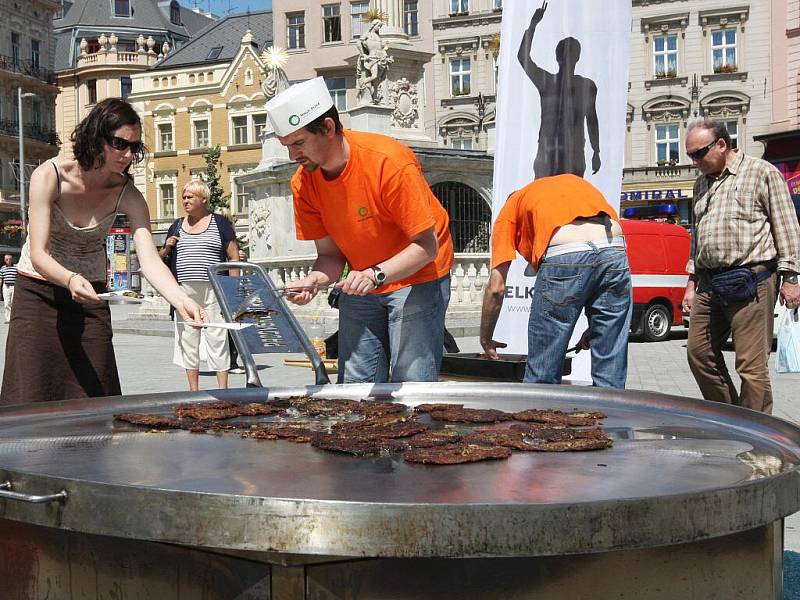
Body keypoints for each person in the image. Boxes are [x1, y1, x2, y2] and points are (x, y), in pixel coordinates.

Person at [0, 98, 206, 405]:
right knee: (30, 396)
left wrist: (181, 299)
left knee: (98, 396)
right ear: (96, 137)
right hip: (38, 295)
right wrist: (69, 279)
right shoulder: (50, 175)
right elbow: (40, 253)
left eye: (134, 147)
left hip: (91, 297)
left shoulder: (128, 194)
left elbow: (149, 258)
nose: (128, 155)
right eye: (119, 143)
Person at [265, 77, 454, 383]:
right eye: (287, 146)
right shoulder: (303, 182)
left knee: (411, 380)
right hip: (362, 278)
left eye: (298, 143)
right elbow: (329, 255)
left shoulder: (388, 162)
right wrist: (314, 280)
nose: (292, 156)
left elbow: (426, 246)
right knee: (355, 381)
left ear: (327, 128)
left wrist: (374, 275)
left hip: (419, 274)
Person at [682, 119, 800, 414]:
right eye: (690, 156)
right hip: (709, 282)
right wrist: (691, 283)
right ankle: (733, 417)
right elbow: (698, 237)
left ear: (722, 144)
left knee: (751, 367)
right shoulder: (700, 183)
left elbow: (786, 225)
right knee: (699, 354)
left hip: (752, 279)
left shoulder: (762, 172)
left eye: (699, 153)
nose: (695, 161)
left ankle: (759, 435)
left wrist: (791, 277)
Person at [480, 174, 632, 387]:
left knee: (542, 372)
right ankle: (614, 416)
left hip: (566, 253)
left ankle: (538, 415)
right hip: (614, 249)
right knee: (610, 366)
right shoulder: (572, 185)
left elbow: (496, 288)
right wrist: (597, 326)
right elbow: (599, 251)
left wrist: (485, 339)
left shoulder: (511, 208)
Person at [159, 180, 239, 391]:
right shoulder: (176, 225)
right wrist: (167, 247)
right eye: (184, 197)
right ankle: (193, 390)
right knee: (188, 338)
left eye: (190, 197)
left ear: (204, 199)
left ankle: (223, 389)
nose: (185, 200)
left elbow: (233, 256)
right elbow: (157, 260)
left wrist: (232, 291)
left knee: (217, 336)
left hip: (215, 289)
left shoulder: (220, 223)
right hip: (184, 291)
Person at [518, 2, 601, 179]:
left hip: (554, 154)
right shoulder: (585, 85)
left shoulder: (548, 82)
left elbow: (523, 57)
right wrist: (596, 151)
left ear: (556, 57)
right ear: (578, 57)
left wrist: (533, 25)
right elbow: (592, 121)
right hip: (566, 155)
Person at [0, 254, 17, 323]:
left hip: (14, 287)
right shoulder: (2, 268)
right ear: (4, 260)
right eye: (7, 259)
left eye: (10, 259)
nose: (8, 260)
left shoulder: (16, 267)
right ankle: (8, 319)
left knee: (14, 303)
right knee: (7, 303)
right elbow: (1, 279)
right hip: (6, 287)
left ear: (12, 259)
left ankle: (14, 318)